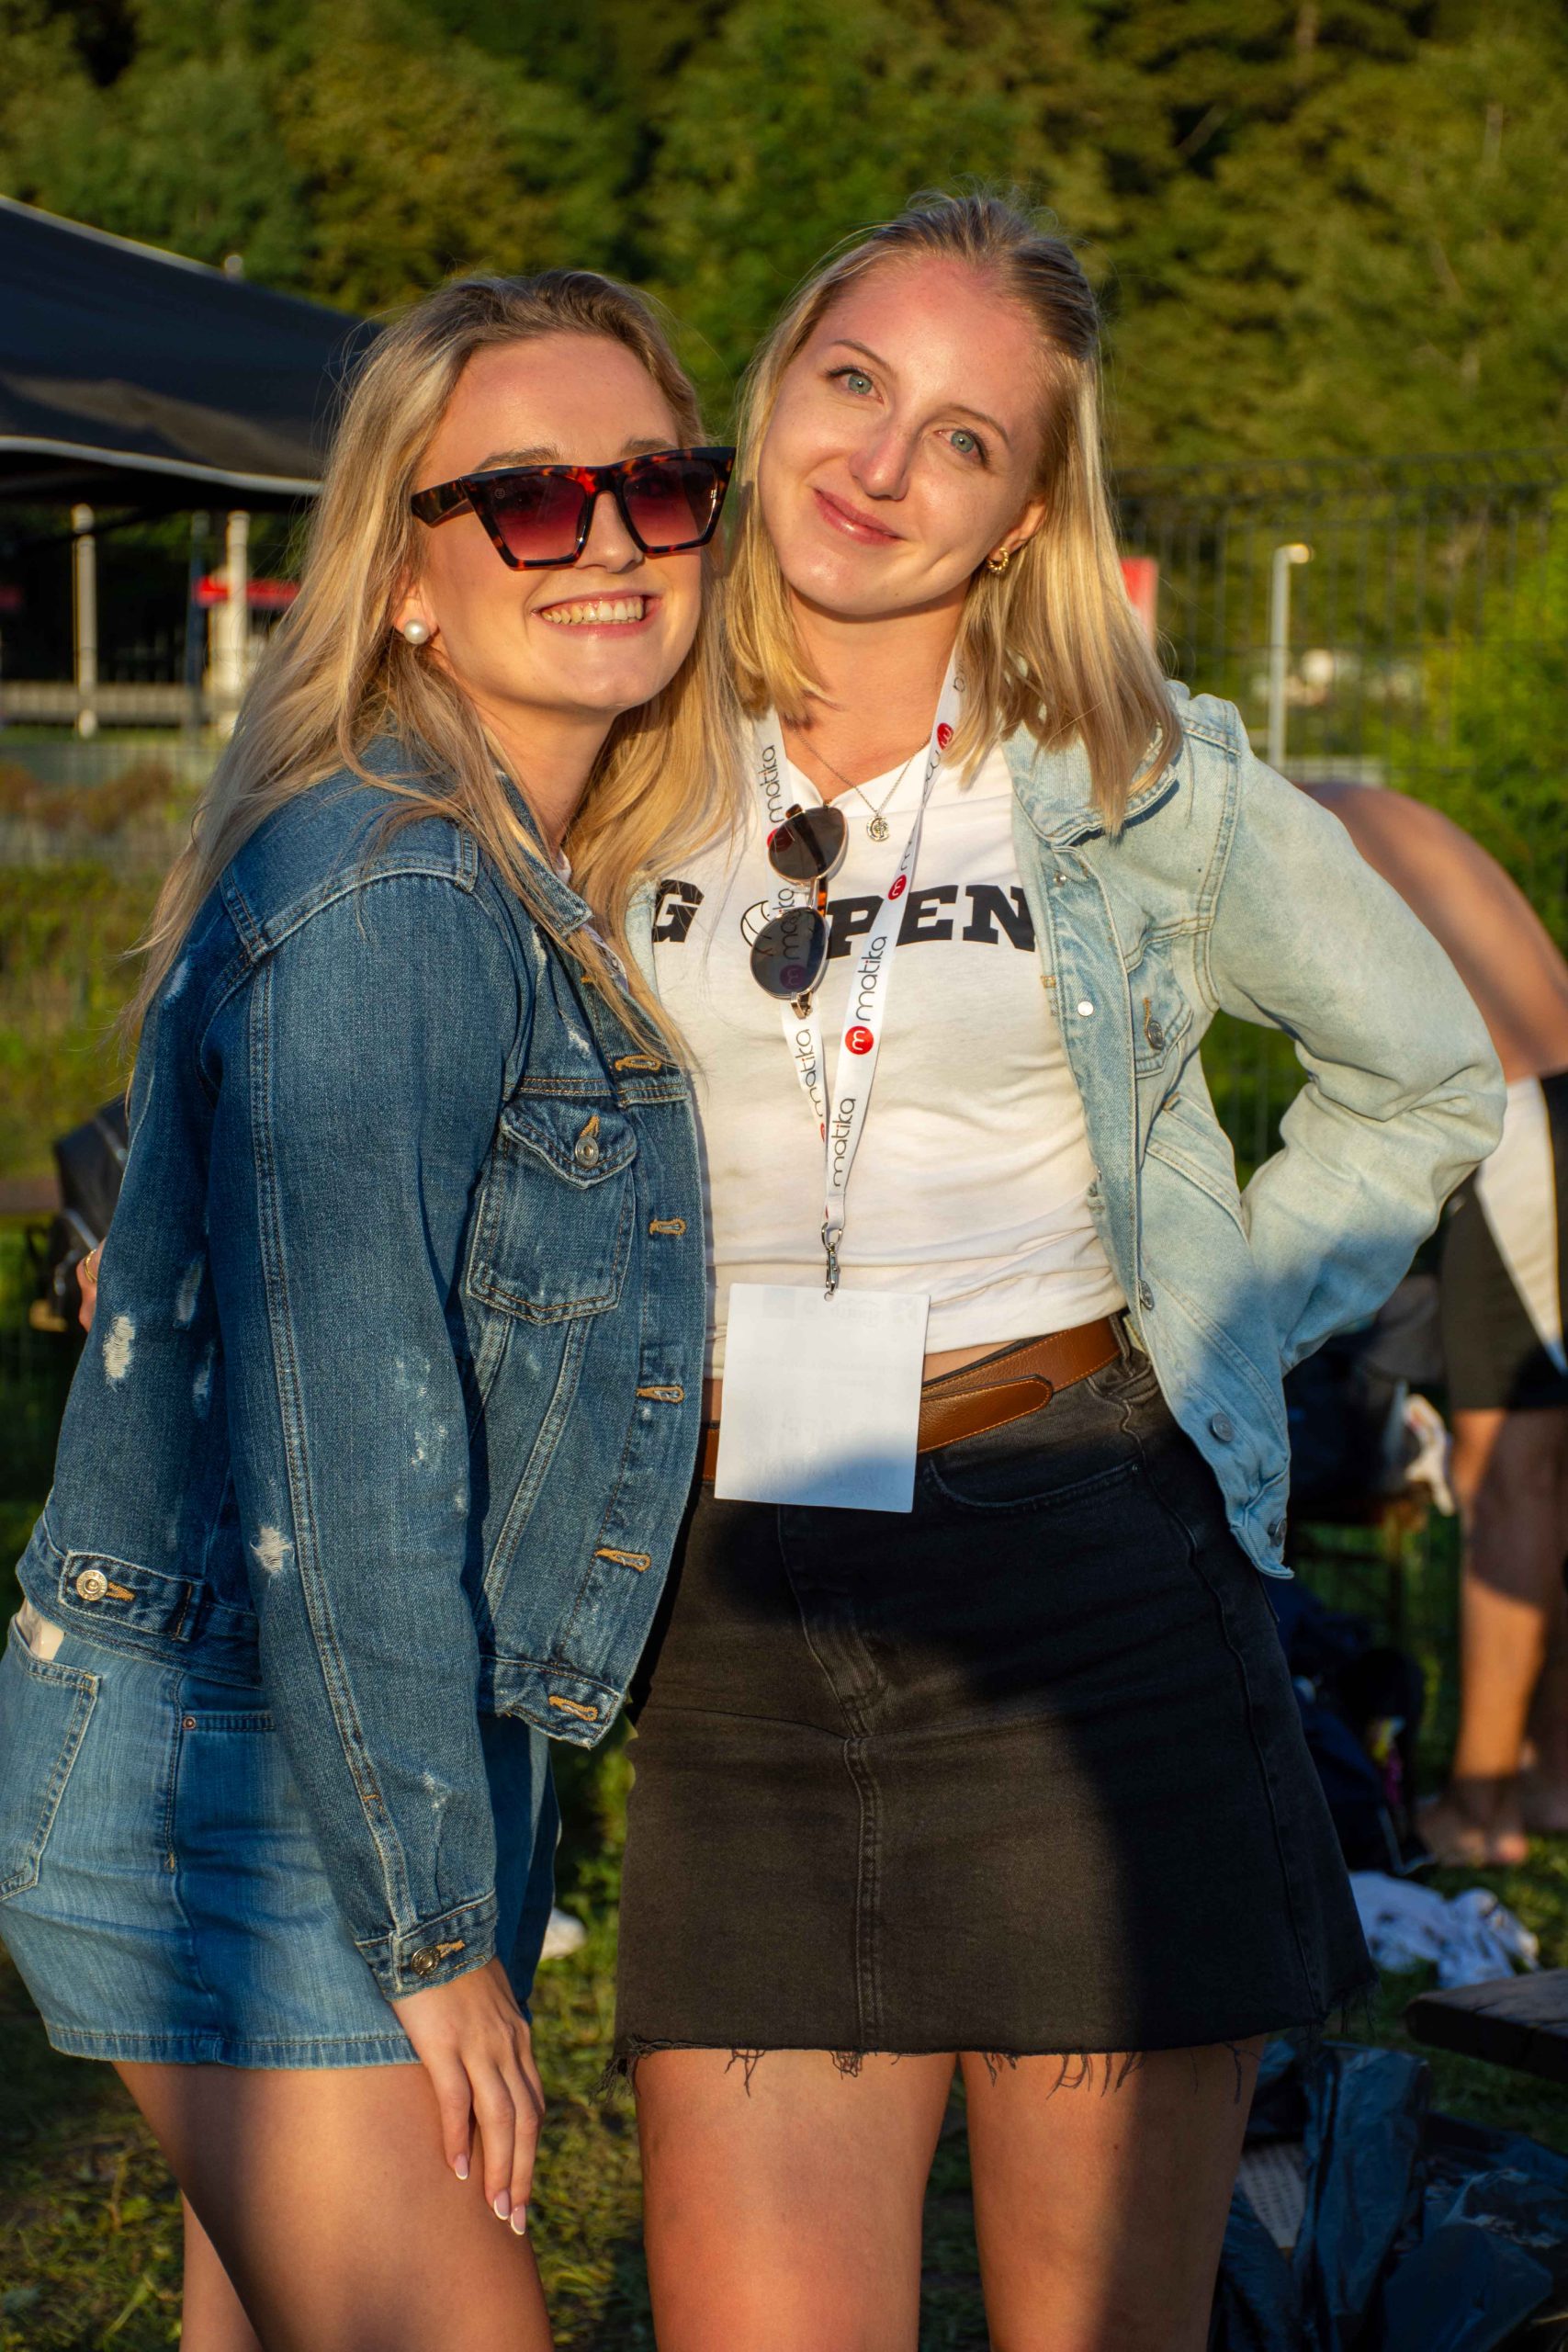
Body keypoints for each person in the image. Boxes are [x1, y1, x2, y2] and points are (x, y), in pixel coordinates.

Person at [613, 193, 1504, 2352]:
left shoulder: (1134, 777)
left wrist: (1206, 1326)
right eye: (851, 381)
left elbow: (1420, 1073)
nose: (878, 463)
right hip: (733, 1598)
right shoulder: (611, 743)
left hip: (1087, 1579)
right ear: (774, 381)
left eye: (962, 438)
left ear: (1023, 513)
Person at [0, 271, 735, 2352]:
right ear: (404, 575)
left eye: (657, 483)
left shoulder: (501, 869)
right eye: (528, 497)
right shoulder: (400, 889)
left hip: (310, 1737)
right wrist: (430, 1928)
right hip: (246, 1769)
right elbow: (349, 1445)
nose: (606, 537)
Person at [1302, 779, 1568, 1866]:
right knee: (1538, 1464)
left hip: (1522, 1112)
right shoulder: (1347, 802)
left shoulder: (1251, 808)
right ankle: (1549, 1776)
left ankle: (1481, 1808)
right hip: (1538, 1098)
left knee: (1508, 1466)